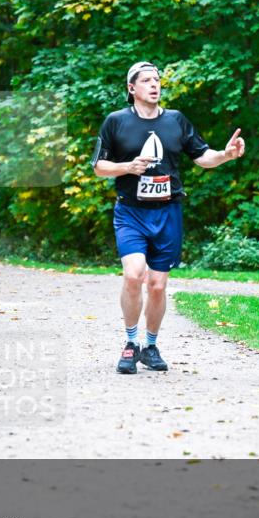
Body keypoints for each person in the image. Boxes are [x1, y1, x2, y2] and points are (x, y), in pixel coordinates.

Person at [92, 61, 245, 374]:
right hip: (131, 212)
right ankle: (131, 343)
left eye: (157, 79)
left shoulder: (176, 121)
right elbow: (98, 167)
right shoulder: (116, 122)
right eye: (146, 80)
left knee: (158, 286)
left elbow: (203, 157)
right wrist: (127, 167)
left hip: (168, 212)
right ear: (131, 88)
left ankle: (150, 346)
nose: (154, 85)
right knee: (135, 275)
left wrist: (225, 155)